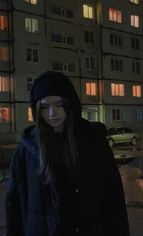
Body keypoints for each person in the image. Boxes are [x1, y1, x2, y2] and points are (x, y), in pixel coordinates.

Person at [5, 71, 130, 236]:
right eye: (45, 106)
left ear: (70, 104)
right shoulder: (27, 150)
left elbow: (113, 198)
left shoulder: (93, 143)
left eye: (58, 105)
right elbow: (14, 206)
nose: (52, 113)